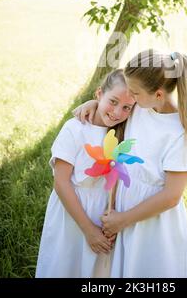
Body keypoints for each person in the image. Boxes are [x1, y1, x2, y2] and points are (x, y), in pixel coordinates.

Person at [74, 49, 187, 278]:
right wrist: (94, 104)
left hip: (151, 223)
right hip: (125, 215)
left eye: (134, 93)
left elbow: (171, 196)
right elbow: (117, 103)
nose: (131, 98)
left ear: (158, 94)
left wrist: (122, 220)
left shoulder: (178, 133)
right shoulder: (142, 105)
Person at [35, 69, 135, 278]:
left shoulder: (123, 131)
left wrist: (110, 220)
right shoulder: (75, 129)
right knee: (66, 265)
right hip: (73, 213)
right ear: (99, 94)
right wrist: (88, 229)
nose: (117, 112)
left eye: (127, 107)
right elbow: (61, 183)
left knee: (95, 272)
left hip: (102, 213)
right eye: (113, 101)